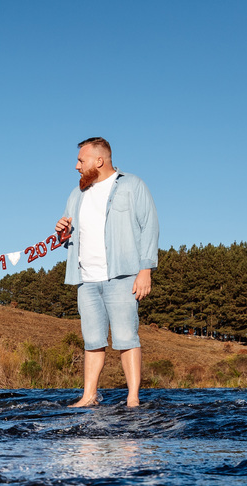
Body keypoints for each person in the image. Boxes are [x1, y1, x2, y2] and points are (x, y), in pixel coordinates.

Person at [55, 137, 158, 407]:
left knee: (127, 338)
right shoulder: (76, 194)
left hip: (122, 276)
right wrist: (62, 233)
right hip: (86, 279)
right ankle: (88, 397)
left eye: (81, 160)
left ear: (99, 160)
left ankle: (133, 398)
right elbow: (67, 239)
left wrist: (145, 270)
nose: (77, 166)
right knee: (92, 341)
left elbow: (149, 227)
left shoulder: (132, 185)